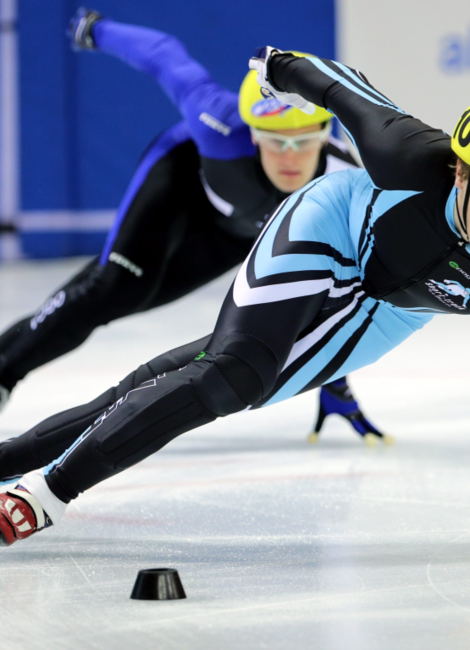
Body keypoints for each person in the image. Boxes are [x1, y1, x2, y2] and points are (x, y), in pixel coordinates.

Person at [1, 45, 469, 547]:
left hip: (391, 310)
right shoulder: (409, 156)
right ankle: (46, 493)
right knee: (236, 374)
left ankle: (8, 460)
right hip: (331, 230)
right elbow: (341, 86)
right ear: (459, 172)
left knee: (186, 379)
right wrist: (276, 66)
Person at [0, 11, 384, 444]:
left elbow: (331, 291)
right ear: (253, 134)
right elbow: (165, 57)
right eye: (275, 141)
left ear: (326, 133)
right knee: (113, 288)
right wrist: (96, 29)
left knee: (132, 298)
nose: (290, 157)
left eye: (303, 142)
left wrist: (336, 385)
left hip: (233, 234)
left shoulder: (345, 183)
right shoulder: (218, 121)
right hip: (181, 183)